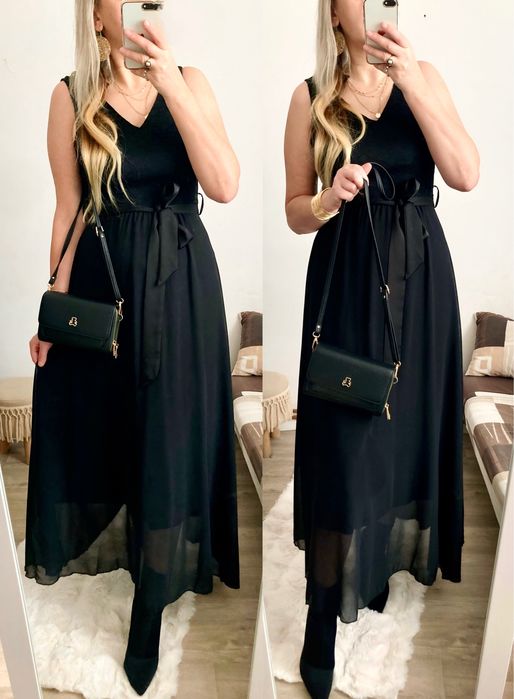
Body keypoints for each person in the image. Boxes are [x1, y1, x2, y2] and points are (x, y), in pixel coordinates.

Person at [26, 1, 240, 695]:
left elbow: (225, 184)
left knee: (169, 434)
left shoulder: (192, 81)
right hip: (105, 287)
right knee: (116, 427)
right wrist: (54, 313)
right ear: (96, 18)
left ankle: (150, 604)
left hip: (182, 287)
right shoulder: (71, 95)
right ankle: (131, 554)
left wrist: (169, 79)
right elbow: (69, 210)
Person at [284, 1, 479, 696]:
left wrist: (412, 80)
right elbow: (294, 210)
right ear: (333, 11)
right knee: (343, 444)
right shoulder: (311, 96)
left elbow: (465, 172)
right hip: (347, 287)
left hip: (421, 287)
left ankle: (373, 565)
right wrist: (328, 198)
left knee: (400, 437)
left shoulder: (425, 76)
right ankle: (320, 614)